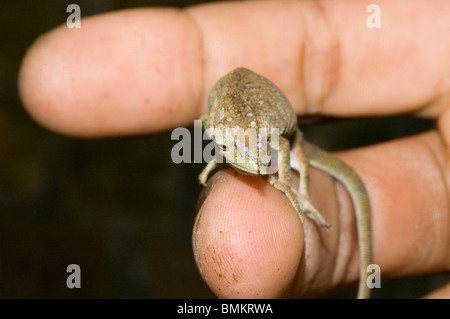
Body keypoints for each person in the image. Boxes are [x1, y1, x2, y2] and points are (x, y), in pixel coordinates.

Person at [18, 0, 450, 298]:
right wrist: (221, 156)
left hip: (276, 129)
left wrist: (293, 189)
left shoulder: (266, 141)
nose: (252, 157)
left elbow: (275, 145)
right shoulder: (222, 125)